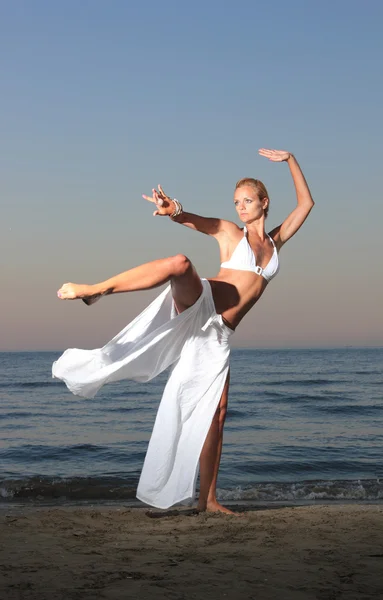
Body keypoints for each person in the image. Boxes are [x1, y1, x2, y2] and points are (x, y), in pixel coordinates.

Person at [53, 148, 314, 514]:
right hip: (203, 302)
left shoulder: (275, 242)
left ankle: (208, 500)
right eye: (236, 201)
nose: (240, 207)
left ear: (264, 202)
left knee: (217, 414)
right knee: (180, 263)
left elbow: (307, 203)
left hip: (219, 333)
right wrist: (173, 210)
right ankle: (96, 289)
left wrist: (290, 160)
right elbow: (198, 221)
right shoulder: (229, 232)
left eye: (247, 200)